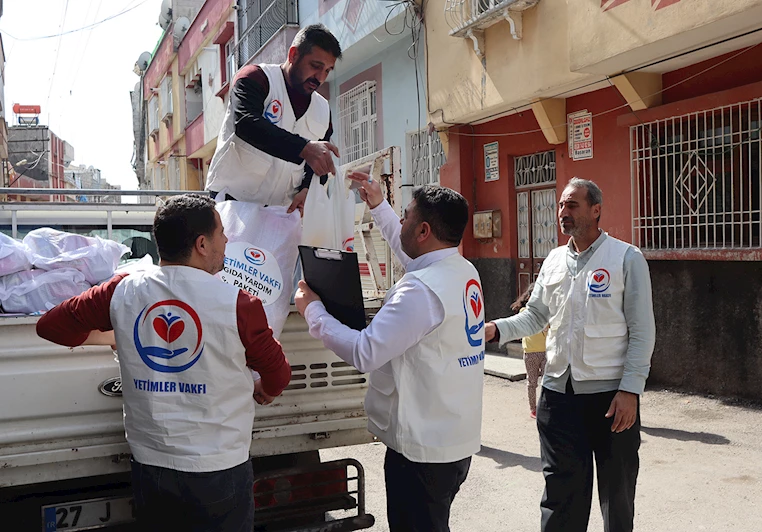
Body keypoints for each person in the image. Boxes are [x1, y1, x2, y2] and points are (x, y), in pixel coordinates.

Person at [36, 194, 292, 532]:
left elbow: (51, 326)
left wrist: (115, 332)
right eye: (221, 234)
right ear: (202, 244)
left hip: (151, 466)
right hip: (218, 468)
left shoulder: (121, 291)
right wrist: (264, 390)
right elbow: (278, 373)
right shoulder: (238, 303)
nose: (227, 240)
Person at [294, 175, 485, 532]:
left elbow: (366, 352)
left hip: (421, 453)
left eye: (406, 217)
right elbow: (410, 252)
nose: (401, 223)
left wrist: (313, 312)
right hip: (453, 441)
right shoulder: (460, 270)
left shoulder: (419, 290)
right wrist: (379, 206)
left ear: (424, 229)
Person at [485, 177, 656, 532]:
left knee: (617, 496)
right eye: (562, 205)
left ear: (596, 210)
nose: (563, 212)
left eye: (572, 205)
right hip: (559, 398)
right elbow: (535, 316)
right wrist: (497, 329)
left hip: (611, 401)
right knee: (561, 497)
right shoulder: (554, 260)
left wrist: (630, 390)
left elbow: (642, 331)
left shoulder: (626, 257)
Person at [205, 24, 342, 214]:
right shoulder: (256, 78)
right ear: (293, 55)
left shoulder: (322, 109)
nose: (320, 77)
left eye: (328, 70)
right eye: (315, 66)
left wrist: (306, 188)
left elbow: (318, 160)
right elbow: (245, 123)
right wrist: (304, 148)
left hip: (281, 214)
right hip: (232, 207)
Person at [511, 285, 547, 419]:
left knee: (546, 381)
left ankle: (544, 407)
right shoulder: (524, 312)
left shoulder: (546, 313)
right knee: (532, 382)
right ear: (529, 297)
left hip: (546, 352)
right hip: (530, 352)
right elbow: (520, 327)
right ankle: (533, 408)